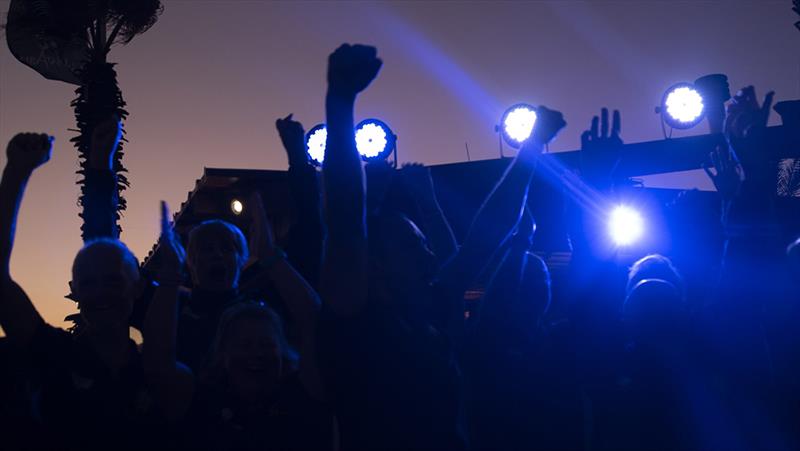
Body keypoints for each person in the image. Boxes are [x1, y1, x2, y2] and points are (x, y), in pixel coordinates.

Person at [316, 43, 566, 450]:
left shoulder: (431, 309)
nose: (429, 253)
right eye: (413, 245)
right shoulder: (354, 320)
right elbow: (345, 221)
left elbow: (486, 238)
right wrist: (341, 104)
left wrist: (532, 149)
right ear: (375, 264)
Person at [0, 131, 163, 450]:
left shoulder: (159, 370)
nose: (101, 293)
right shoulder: (53, 354)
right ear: (74, 291)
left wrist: (102, 161)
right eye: (88, 283)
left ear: (137, 287)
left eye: (113, 281)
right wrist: (16, 173)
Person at [144, 199, 332, 450]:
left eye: (227, 248)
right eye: (207, 249)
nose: (255, 354)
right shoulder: (202, 399)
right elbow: (158, 362)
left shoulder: (264, 314)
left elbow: (314, 321)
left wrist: (270, 256)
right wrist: (168, 278)